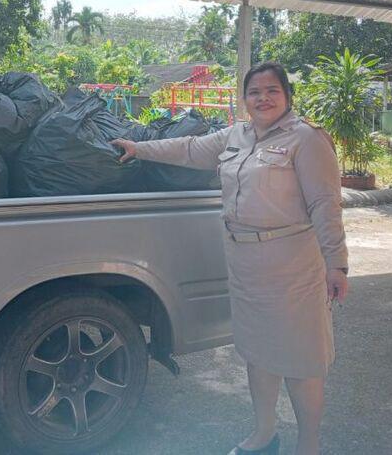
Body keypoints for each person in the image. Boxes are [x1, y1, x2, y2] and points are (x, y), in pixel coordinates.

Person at [112, 62, 348, 455]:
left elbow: (326, 204)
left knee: (301, 359)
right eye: (254, 92)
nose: (263, 98)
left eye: (272, 90)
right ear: (245, 99)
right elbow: (190, 149)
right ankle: (264, 434)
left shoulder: (306, 139)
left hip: (293, 267)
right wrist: (139, 149)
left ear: (287, 95)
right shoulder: (237, 134)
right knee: (258, 352)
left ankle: (309, 443)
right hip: (245, 266)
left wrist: (336, 263)